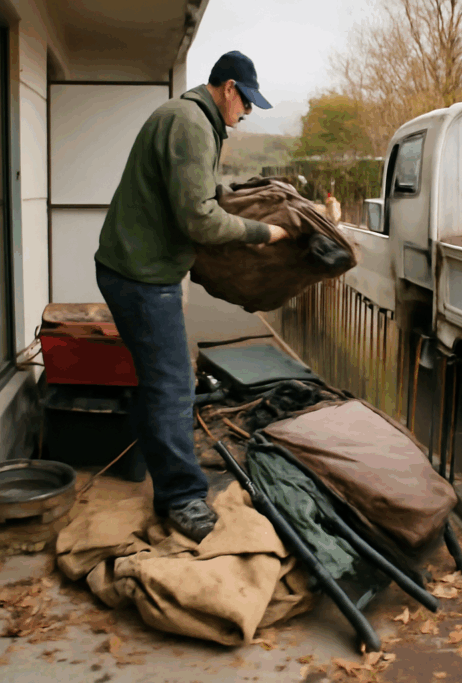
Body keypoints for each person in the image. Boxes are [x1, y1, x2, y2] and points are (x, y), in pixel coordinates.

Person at [94, 51, 287, 543]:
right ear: (227, 89)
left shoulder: (185, 116)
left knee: (160, 380)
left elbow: (194, 195)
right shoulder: (191, 124)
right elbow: (199, 218)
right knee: (172, 386)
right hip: (140, 274)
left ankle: (157, 465)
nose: (244, 114)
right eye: (245, 103)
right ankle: (181, 499)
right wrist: (261, 232)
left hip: (134, 266)